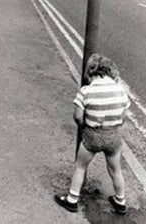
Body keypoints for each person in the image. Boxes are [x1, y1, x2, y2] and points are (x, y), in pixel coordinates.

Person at [54, 54, 131, 215]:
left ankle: (72, 199)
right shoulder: (120, 91)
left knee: (81, 167)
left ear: (90, 72)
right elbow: (124, 116)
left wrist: (83, 126)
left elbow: (78, 116)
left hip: (92, 135)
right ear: (110, 71)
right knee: (115, 170)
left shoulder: (86, 91)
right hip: (114, 136)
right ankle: (120, 201)